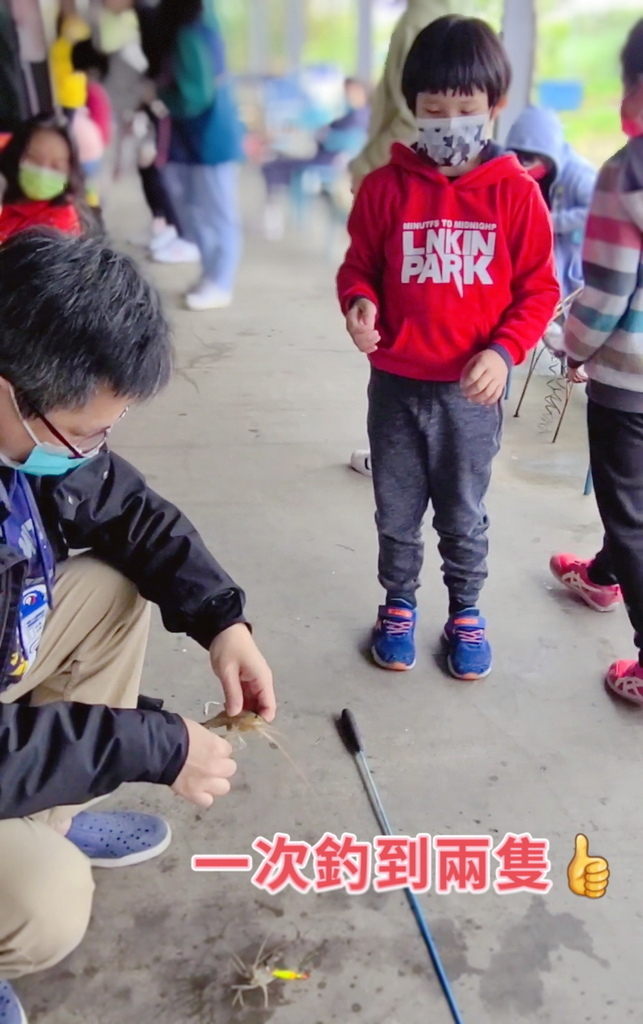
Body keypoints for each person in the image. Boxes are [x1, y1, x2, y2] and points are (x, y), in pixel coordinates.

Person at [0, 229, 274, 1024]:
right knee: (45, 902)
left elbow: (128, 511)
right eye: (83, 432)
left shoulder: (30, 432)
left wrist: (224, 621)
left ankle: (46, 818)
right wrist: (154, 743)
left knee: (113, 592)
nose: (91, 450)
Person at [336, 15, 559, 679]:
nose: (449, 122)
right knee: (396, 509)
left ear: (494, 107)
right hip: (397, 385)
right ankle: (397, 603)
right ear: (413, 108)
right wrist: (359, 304)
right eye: (434, 110)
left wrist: (503, 351)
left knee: (462, 512)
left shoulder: (517, 195)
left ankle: (465, 608)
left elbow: (538, 291)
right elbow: (359, 267)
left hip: (470, 394)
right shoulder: (384, 189)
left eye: (466, 109)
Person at [549, 20, 643, 704]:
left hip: (628, 383)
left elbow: (607, 288)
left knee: (630, 510)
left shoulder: (626, 171)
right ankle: (602, 574)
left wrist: (570, 348)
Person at [348, 0, 461, 477]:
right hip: (400, 177)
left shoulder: (424, 21)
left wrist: (368, 165)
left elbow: (412, 114)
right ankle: (399, 447)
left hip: (405, 180)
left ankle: (405, 452)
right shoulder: (432, 14)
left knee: (412, 308)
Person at [157, 0, 245, 311]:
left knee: (216, 212)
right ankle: (212, 276)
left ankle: (220, 281)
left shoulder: (190, 31)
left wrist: (159, 95)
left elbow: (194, 95)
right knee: (199, 209)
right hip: (199, 135)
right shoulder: (200, 22)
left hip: (210, 136)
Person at [349, 0, 462, 195]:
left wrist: (368, 165)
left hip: (401, 175)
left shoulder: (420, 21)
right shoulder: (449, 14)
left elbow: (414, 118)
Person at [261, 78, 370, 241]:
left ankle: (273, 211)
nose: (347, 95)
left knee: (274, 165)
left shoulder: (357, 117)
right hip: (331, 161)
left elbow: (331, 138)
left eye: (351, 91)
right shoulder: (359, 115)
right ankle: (275, 211)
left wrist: (322, 135)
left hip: (328, 163)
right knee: (279, 162)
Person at [506, 105, 596, 302]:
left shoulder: (580, 176)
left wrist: (547, 222)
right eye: (517, 157)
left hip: (568, 273)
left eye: (529, 159)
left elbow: (597, 210)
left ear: (549, 153)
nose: (523, 164)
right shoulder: (512, 172)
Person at [0, 116, 88, 242]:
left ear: (70, 172)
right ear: (17, 155)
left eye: (56, 166)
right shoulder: (6, 188)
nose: (43, 172)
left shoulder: (60, 231)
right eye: (33, 158)